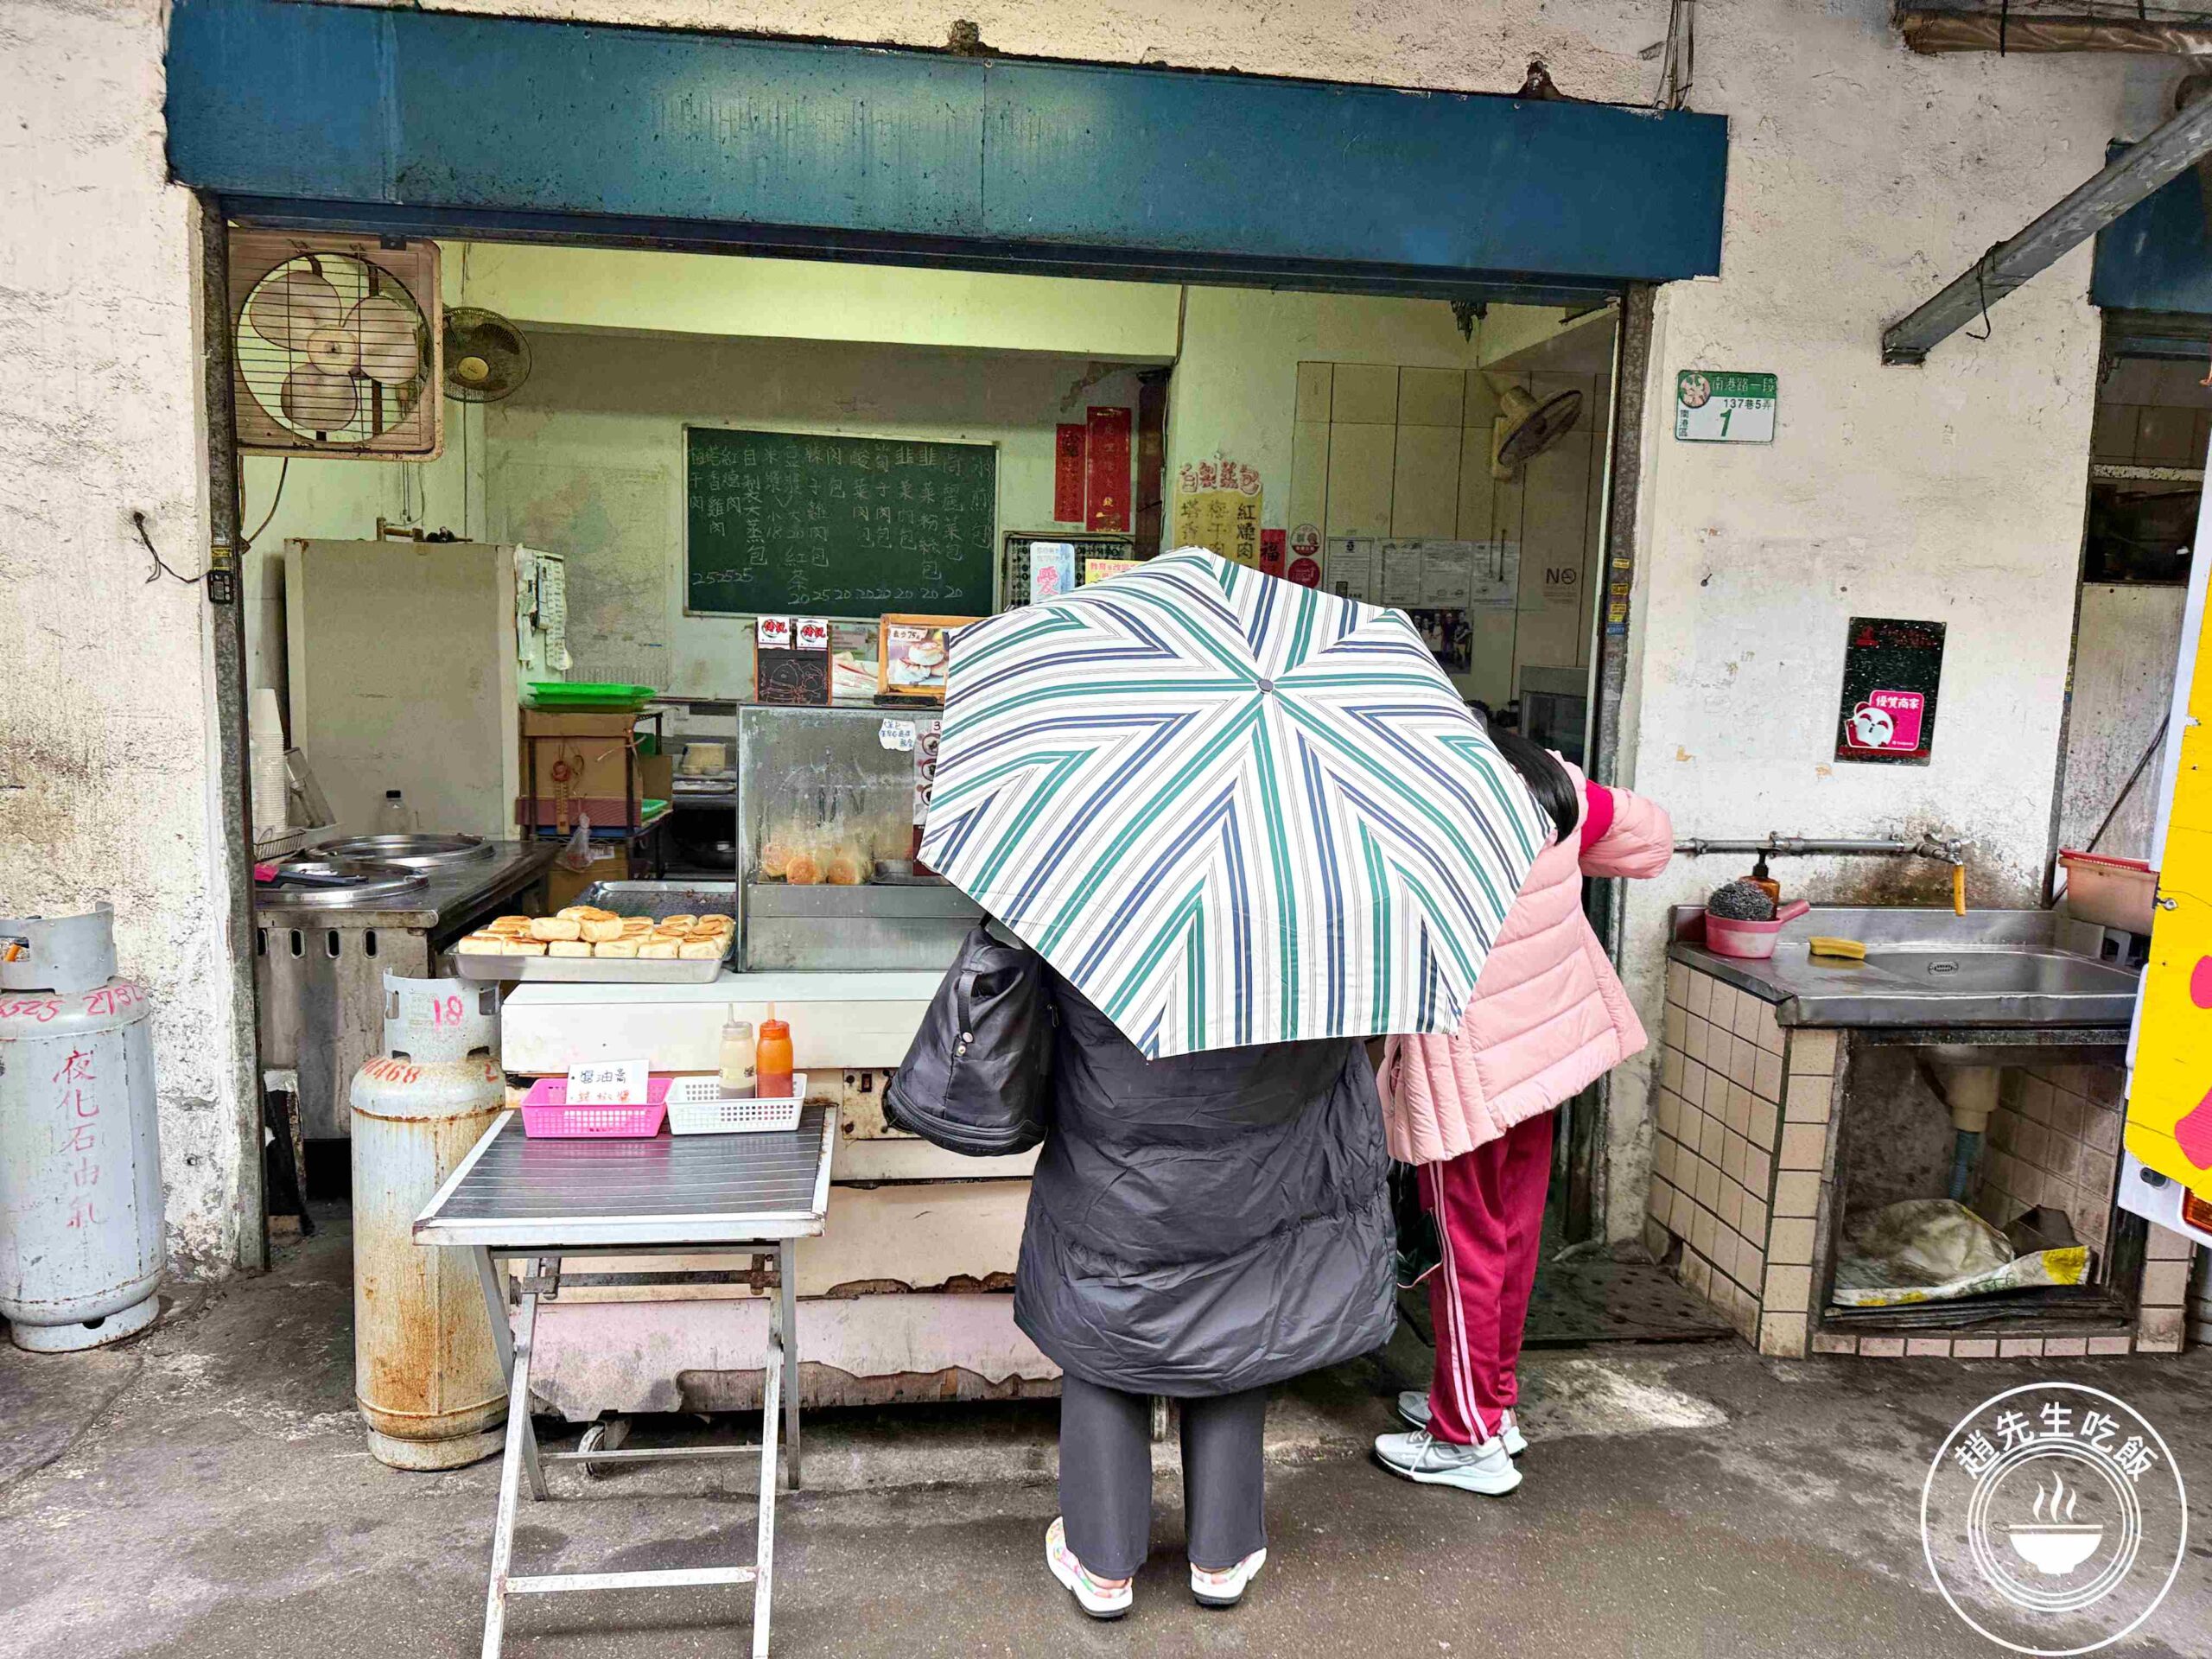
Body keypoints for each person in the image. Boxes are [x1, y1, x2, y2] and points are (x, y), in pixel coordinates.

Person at [1017, 962, 1395, 1618]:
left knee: (1108, 1320)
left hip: (1111, 1158)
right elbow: (1346, 1045)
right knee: (1237, 1315)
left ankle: (1102, 1565)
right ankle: (1219, 1557)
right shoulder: (1300, 918)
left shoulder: (1094, 900)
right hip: (1253, 1170)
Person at [1370, 727, 1673, 1495]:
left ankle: (1466, 1437)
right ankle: (1489, 1402)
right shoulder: (1545, 781)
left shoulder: (1414, 801)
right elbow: (1650, 842)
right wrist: (1569, 840)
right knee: (1511, 1236)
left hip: (1464, 1067)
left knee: (1462, 1247)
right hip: (1543, 1052)